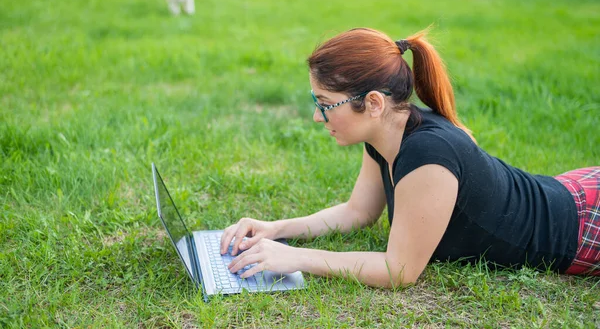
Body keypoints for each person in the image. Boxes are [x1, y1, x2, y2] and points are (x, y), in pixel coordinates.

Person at [219, 27, 600, 288]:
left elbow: (399, 270)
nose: (317, 116)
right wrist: (276, 229)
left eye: (324, 105)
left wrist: (295, 259)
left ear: (372, 103)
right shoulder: (386, 132)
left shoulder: (428, 155)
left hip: (584, 229)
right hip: (571, 190)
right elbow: (358, 213)